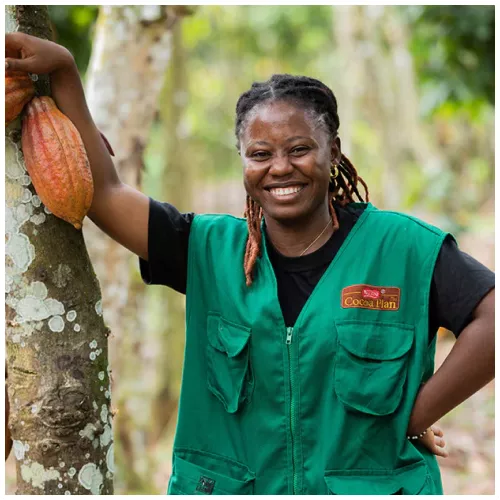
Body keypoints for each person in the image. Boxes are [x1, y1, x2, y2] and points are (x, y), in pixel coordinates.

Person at [4, 33, 494, 495]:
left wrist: (412, 411)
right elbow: (104, 193)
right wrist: (65, 71)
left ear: (334, 152)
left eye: (299, 149)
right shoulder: (206, 249)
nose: (280, 167)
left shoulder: (402, 249)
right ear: (243, 161)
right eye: (260, 153)